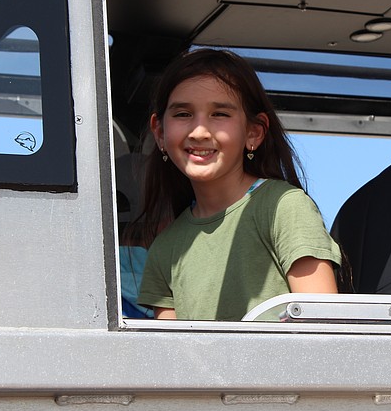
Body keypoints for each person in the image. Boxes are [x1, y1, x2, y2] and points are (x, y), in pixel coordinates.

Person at [133, 48, 341, 320]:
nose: (199, 131)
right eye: (183, 114)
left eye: (220, 114)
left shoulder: (283, 208)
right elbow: (171, 346)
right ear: (160, 132)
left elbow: (325, 328)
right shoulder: (164, 249)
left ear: (254, 132)